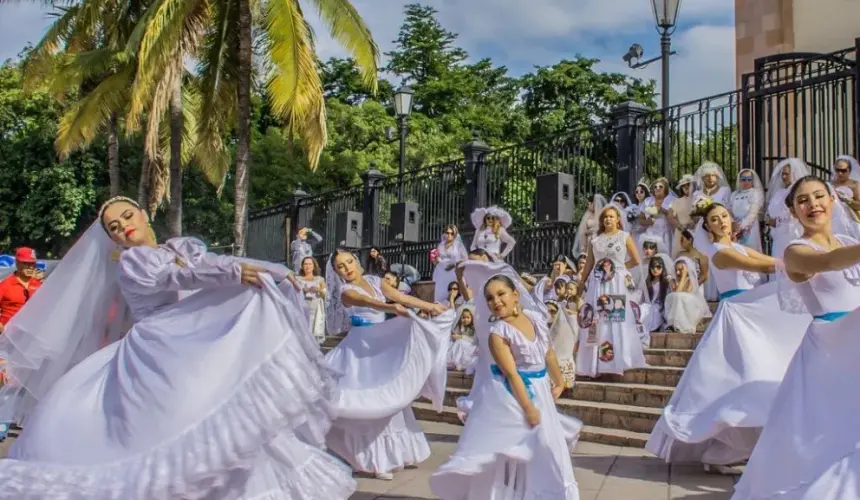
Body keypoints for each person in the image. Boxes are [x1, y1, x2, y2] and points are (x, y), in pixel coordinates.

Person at [0, 196, 356, 499]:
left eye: (127, 216)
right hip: (158, 347)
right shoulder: (132, 261)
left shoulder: (178, 248)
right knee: (175, 424)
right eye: (113, 227)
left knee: (227, 413)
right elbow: (174, 278)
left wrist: (272, 270)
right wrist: (234, 275)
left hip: (190, 336)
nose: (123, 226)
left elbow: (216, 263)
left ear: (143, 214)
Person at [646, 201, 809, 476]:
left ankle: (745, 446)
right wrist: (800, 261)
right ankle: (728, 447)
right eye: (714, 219)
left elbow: (764, 262)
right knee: (741, 379)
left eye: (724, 216)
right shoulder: (719, 252)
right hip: (736, 317)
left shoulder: (738, 247)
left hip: (752, 313)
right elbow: (767, 267)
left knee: (756, 378)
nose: (721, 221)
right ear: (707, 227)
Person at [732, 176, 860, 499]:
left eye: (819, 196)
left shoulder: (847, 239)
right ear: (793, 211)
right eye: (803, 200)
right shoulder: (796, 251)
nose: (813, 204)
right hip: (831, 352)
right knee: (837, 437)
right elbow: (828, 263)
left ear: (832, 200)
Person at [430, 260, 581, 499]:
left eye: (501, 294)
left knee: (548, 449)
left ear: (515, 295)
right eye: (489, 298)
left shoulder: (535, 318)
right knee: (519, 450)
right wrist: (529, 408)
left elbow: (549, 353)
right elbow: (511, 374)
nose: (496, 302)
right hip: (516, 396)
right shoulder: (498, 333)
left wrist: (559, 381)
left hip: (541, 389)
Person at [324, 249, 454, 481]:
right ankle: (370, 460)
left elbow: (401, 297)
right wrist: (390, 308)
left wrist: (430, 306)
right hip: (359, 351)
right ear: (336, 272)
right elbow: (368, 302)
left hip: (381, 344)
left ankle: (391, 455)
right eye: (340, 266)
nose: (347, 267)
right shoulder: (346, 291)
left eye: (349, 261)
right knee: (366, 401)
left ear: (356, 262)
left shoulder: (374, 281)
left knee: (389, 397)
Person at [575, 203, 647, 378]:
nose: (608, 219)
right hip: (598, 283)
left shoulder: (624, 237)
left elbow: (636, 260)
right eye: (605, 216)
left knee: (614, 318)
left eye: (611, 216)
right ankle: (594, 364)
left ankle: (617, 362)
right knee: (597, 319)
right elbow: (589, 265)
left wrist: (620, 269)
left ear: (618, 219)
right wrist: (581, 282)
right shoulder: (595, 240)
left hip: (616, 283)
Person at [766, 158, 809, 258]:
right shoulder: (780, 192)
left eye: (787, 174)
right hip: (778, 235)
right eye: (782, 174)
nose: (784, 177)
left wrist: (778, 221)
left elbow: (798, 212)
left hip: (792, 233)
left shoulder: (798, 191)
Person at [0, 248, 43, 334]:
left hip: (31, 335)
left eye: (32, 263)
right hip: (8, 337)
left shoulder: (39, 284)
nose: (30, 267)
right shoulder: (6, 285)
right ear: (17, 263)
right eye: (26, 263)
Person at [665, 256, 709, 333]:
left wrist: (684, 275)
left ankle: (681, 325)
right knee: (673, 296)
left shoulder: (691, 279)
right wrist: (682, 277)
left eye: (681, 270)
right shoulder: (672, 280)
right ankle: (674, 324)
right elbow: (677, 292)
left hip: (689, 305)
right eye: (676, 270)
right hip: (678, 305)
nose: (678, 272)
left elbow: (687, 293)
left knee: (681, 297)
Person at [293, 255, 327, 344]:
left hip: (315, 308)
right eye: (305, 264)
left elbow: (326, 295)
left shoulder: (319, 279)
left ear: (313, 266)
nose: (307, 266)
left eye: (309, 264)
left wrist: (318, 289)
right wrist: (302, 290)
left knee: (313, 329)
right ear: (302, 266)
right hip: (301, 307)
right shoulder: (297, 279)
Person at [729, 168, 765, 252]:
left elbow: (753, 213)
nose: (746, 181)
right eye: (743, 179)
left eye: (749, 179)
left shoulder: (755, 193)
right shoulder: (734, 194)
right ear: (740, 180)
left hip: (750, 229)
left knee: (751, 253)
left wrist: (741, 227)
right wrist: (733, 223)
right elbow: (729, 210)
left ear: (752, 181)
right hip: (734, 228)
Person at [640, 178, 676, 255]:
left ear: (665, 188)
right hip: (650, 234)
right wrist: (648, 221)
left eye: (660, 186)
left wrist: (663, 211)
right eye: (655, 187)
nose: (657, 188)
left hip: (666, 236)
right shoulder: (647, 201)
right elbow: (640, 219)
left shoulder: (672, 200)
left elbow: (676, 218)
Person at [433, 225, 468, 303]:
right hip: (441, 273)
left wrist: (455, 264)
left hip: (453, 272)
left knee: (455, 292)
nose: (449, 235)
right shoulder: (440, 246)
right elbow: (436, 261)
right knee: (441, 293)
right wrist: (434, 259)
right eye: (447, 233)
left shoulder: (458, 245)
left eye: (452, 233)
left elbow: (465, 258)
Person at [668, 175, 697, 257]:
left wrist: (693, 223)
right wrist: (681, 227)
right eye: (683, 186)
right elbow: (670, 217)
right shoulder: (676, 201)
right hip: (680, 232)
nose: (686, 187)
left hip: (695, 231)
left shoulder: (698, 198)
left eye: (688, 184)